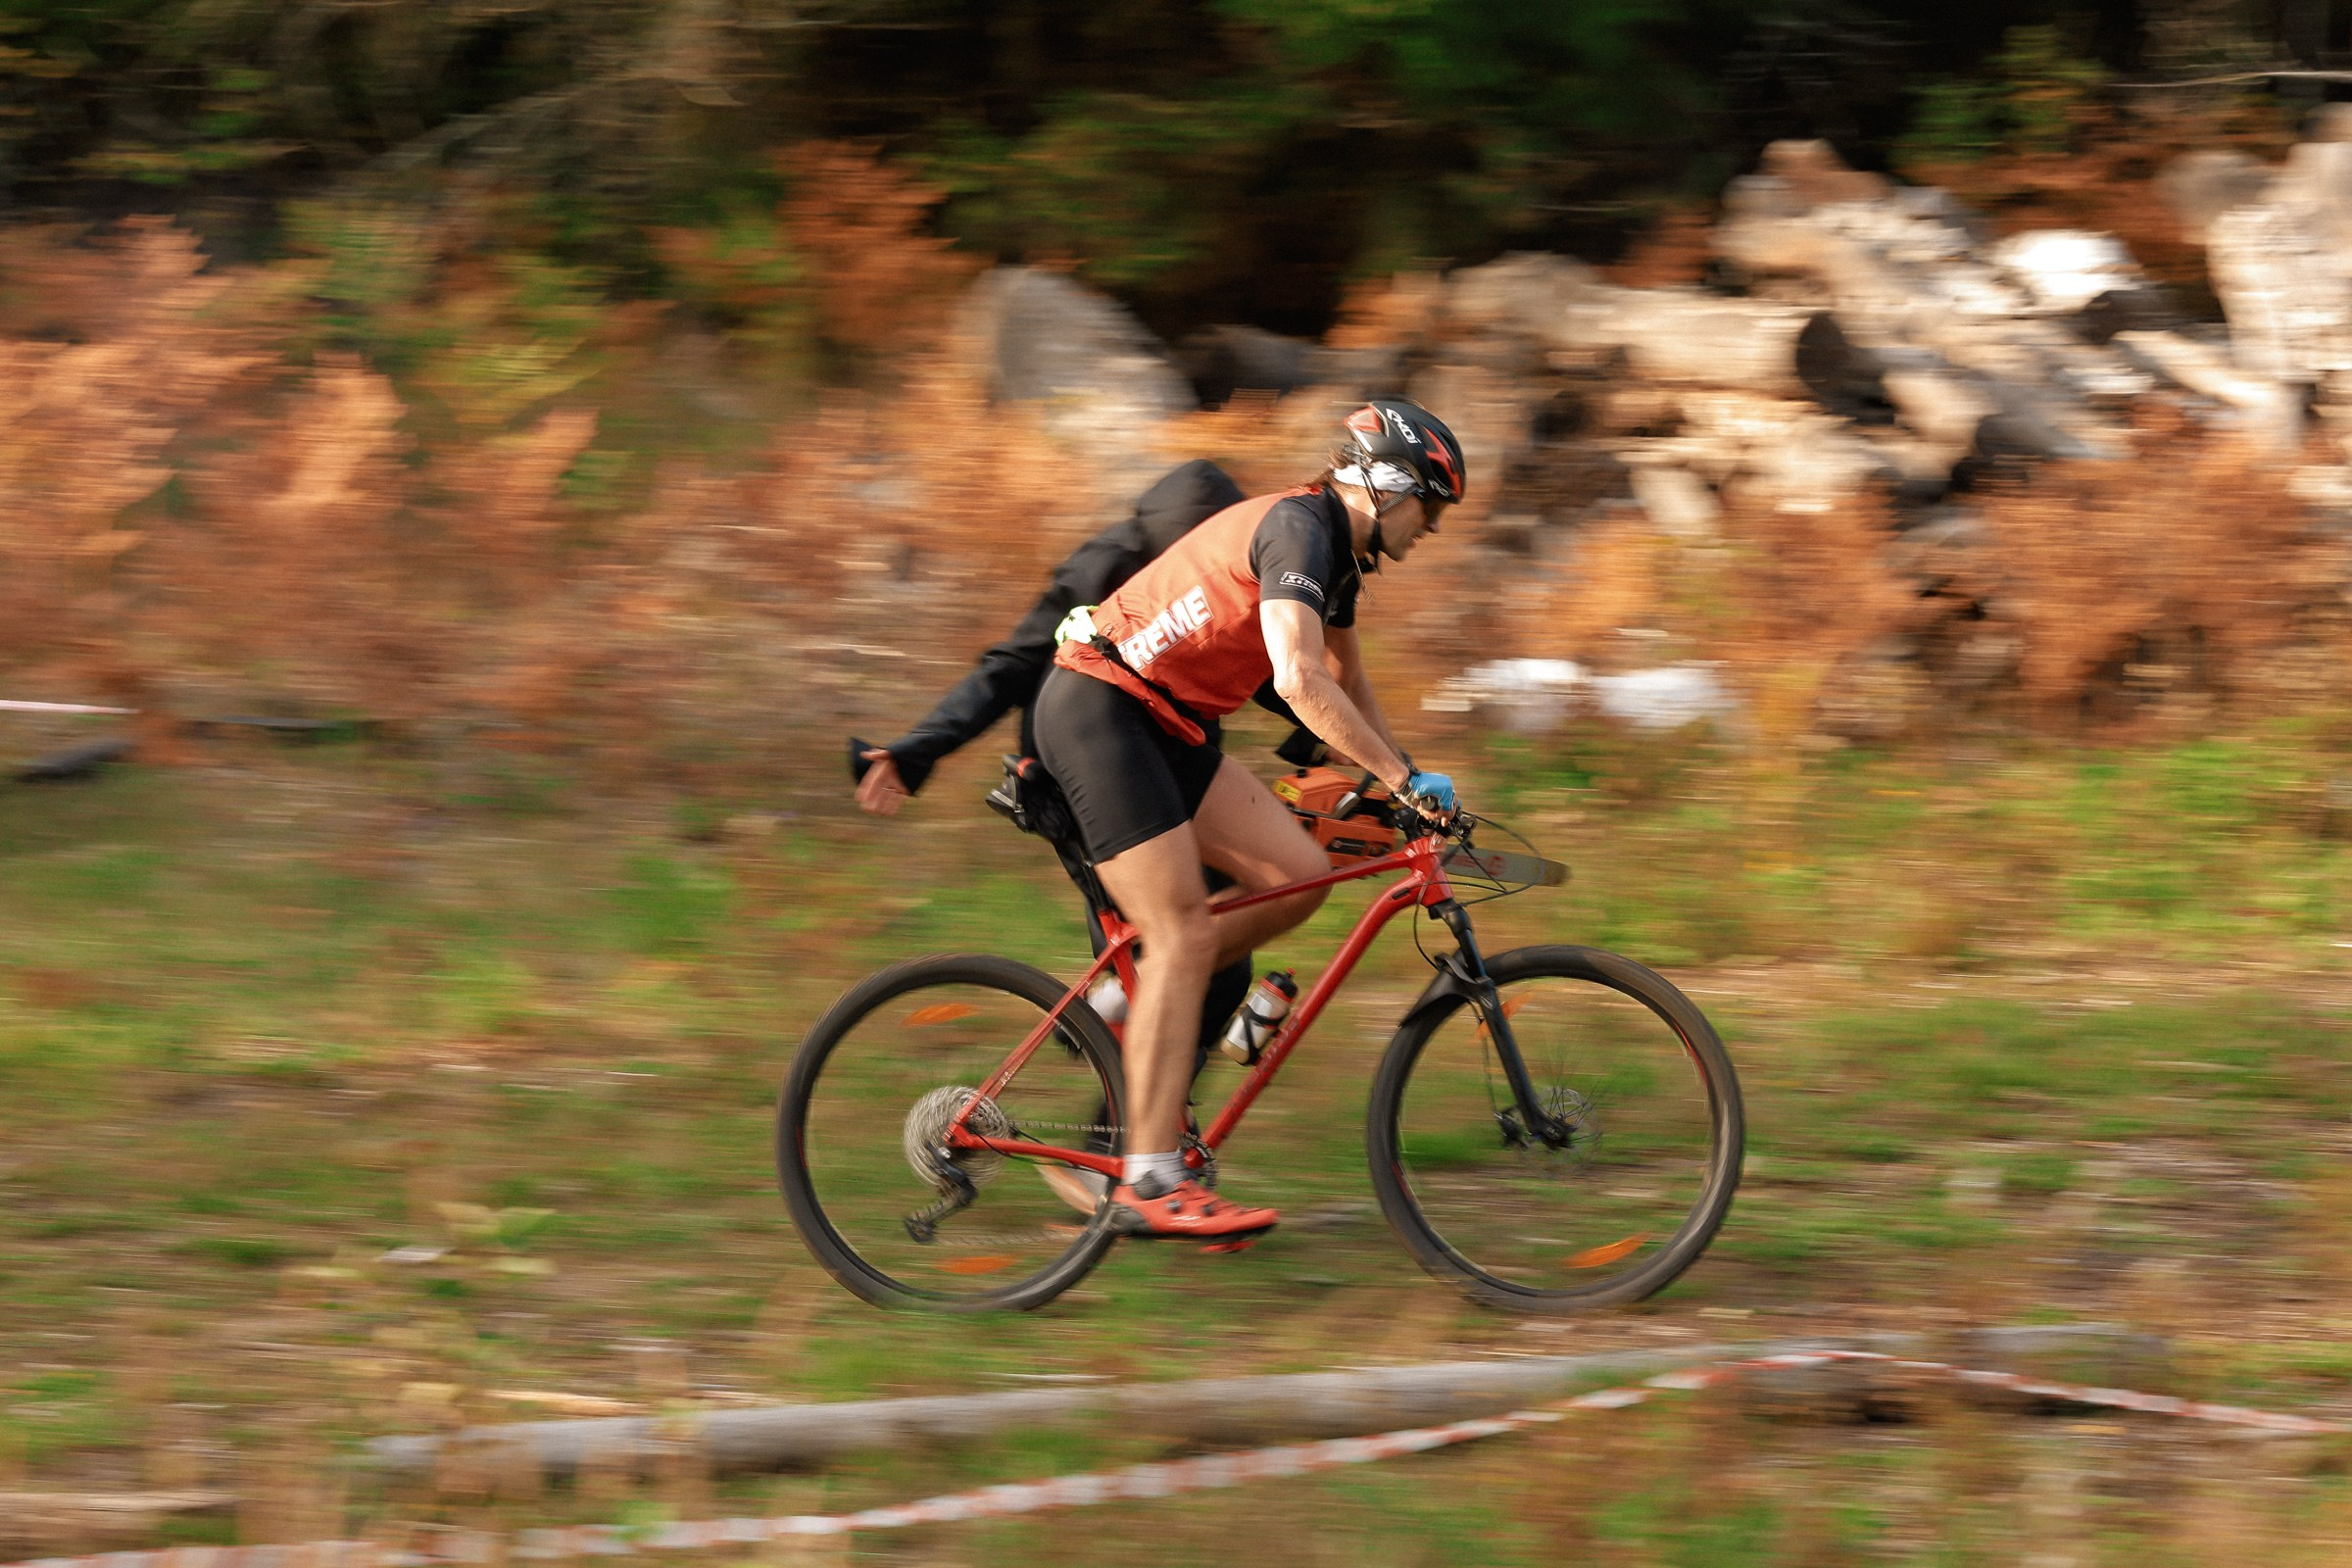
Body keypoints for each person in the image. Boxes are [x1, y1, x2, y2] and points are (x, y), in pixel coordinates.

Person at [1033, 399, 1467, 1243]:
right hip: (1101, 708)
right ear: (1386, 484)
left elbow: (1344, 684)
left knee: (1298, 878)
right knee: (1187, 936)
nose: (1434, 528)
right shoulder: (1299, 530)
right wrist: (1399, 775)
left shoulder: (1336, 558)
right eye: (1432, 505)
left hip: (1166, 724)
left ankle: (1130, 995)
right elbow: (1299, 682)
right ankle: (1150, 1179)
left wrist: (1401, 777)